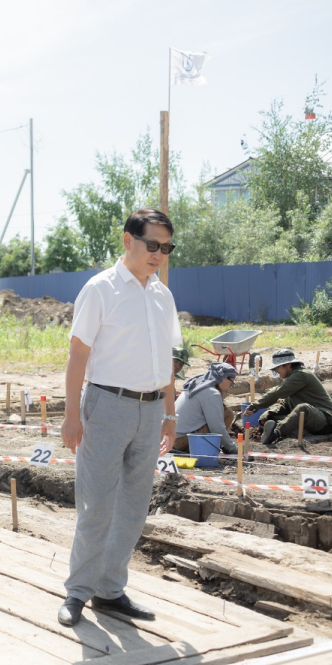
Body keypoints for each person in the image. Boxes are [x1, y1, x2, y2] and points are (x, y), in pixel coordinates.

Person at [58, 208, 182, 628]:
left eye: (166, 247)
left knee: (132, 506)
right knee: (96, 505)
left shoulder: (162, 295)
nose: (159, 254)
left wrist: (169, 412)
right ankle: (78, 591)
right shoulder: (100, 290)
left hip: (150, 411)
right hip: (106, 406)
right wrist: (71, 415)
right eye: (152, 245)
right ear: (128, 240)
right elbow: (78, 355)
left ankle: (110, 591)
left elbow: (165, 358)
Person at [244, 349, 332, 445]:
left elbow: (277, 393)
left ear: (288, 365)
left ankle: (276, 433)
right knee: (272, 414)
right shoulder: (292, 378)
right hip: (310, 420)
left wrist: (255, 406)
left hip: (326, 422)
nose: (276, 371)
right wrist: (266, 416)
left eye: (277, 367)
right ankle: (286, 429)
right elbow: (286, 404)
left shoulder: (301, 375)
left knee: (302, 408)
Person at [174, 362, 238, 454]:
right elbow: (217, 428)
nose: (229, 387)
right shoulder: (212, 393)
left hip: (171, 437)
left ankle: (215, 445)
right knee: (228, 414)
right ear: (224, 377)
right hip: (183, 441)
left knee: (224, 411)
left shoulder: (197, 384)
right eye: (231, 383)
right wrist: (234, 449)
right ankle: (209, 448)